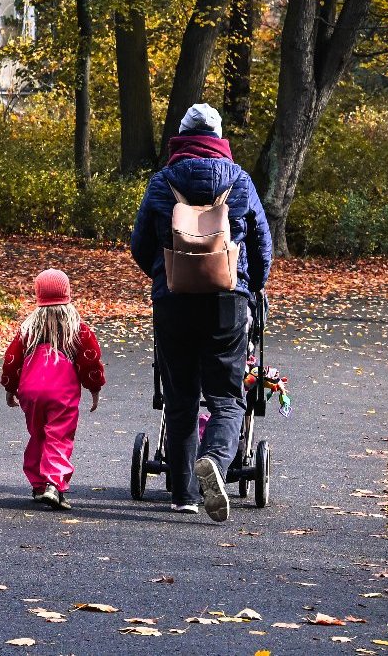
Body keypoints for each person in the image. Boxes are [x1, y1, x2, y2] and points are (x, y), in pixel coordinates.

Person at [129, 103, 272, 521]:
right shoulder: (239, 180)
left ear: (182, 135)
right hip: (227, 301)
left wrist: (166, 275)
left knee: (180, 399)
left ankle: (184, 494)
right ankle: (215, 460)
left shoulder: (162, 182)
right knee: (227, 397)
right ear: (218, 138)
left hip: (173, 302)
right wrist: (251, 286)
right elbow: (262, 245)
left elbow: (140, 244)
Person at [0, 268, 105, 511]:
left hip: (31, 391)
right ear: (67, 293)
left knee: (37, 434)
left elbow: (12, 360)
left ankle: (38, 484)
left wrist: (10, 388)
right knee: (58, 436)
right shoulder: (76, 328)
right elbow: (90, 360)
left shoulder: (29, 328)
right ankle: (53, 483)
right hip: (62, 392)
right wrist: (94, 388)